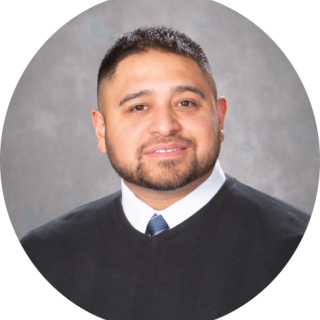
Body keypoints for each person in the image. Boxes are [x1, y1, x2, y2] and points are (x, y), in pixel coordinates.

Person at [19, 26, 311, 320]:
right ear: (101, 129)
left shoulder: (291, 246)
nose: (165, 125)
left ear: (219, 118)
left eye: (185, 103)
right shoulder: (44, 255)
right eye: (138, 107)